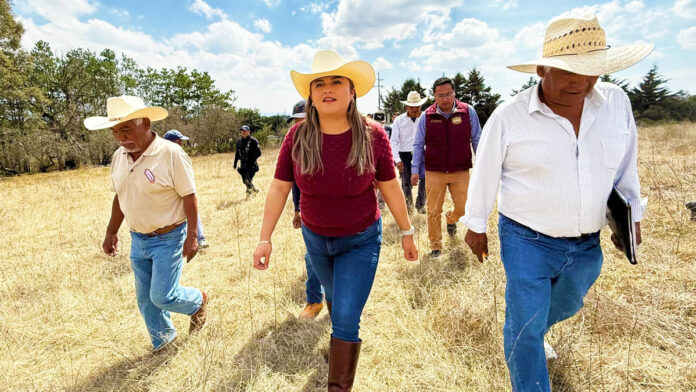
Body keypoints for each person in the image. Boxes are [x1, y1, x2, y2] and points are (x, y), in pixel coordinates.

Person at [460, 15, 652, 392]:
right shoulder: (510, 115)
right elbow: (484, 171)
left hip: (586, 243)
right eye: (568, 70)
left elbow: (626, 162)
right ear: (541, 68)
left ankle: (532, 325)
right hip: (525, 239)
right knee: (525, 328)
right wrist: (476, 225)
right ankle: (528, 346)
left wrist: (632, 215)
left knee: (566, 302)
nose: (579, 82)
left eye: (591, 71)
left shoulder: (616, 103)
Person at [252, 50, 418, 392]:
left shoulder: (373, 135)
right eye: (319, 84)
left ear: (351, 90)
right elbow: (280, 187)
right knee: (333, 298)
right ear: (310, 94)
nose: (328, 89)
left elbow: (388, 185)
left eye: (336, 82)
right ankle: (339, 345)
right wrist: (264, 238)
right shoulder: (296, 138)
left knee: (345, 317)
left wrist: (406, 231)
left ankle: (338, 381)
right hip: (315, 239)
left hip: (360, 240)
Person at [84, 96, 208, 351]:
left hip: (169, 236)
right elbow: (120, 195)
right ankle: (164, 341)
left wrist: (193, 236)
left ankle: (198, 301)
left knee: (163, 296)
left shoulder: (171, 153)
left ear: (146, 124)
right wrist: (111, 232)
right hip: (138, 237)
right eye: (115, 131)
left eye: (126, 129)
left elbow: (189, 196)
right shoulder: (119, 156)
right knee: (145, 300)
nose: (121, 138)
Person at [411, 77, 482, 257]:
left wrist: (482, 164)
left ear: (454, 93)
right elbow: (418, 144)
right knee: (433, 211)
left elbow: (477, 139)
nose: (445, 98)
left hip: (460, 170)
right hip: (434, 171)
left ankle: (451, 218)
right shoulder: (426, 116)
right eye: (440, 95)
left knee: (465, 207)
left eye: (448, 94)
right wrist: (414, 170)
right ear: (434, 96)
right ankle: (436, 246)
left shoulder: (468, 112)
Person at [288, 100, 325, 319]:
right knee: (312, 257)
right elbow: (294, 183)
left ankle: (336, 300)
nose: (299, 126)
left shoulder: (331, 141)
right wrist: (297, 209)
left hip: (338, 215)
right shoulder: (295, 146)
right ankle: (314, 301)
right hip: (310, 214)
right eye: (296, 122)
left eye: (303, 121)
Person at [164, 129, 209, 249]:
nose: (181, 144)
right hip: (171, 194)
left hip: (183, 190)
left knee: (191, 212)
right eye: (180, 141)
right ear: (177, 141)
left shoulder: (179, 155)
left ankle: (200, 238)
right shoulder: (162, 156)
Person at [390, 91, 427, 214]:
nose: (415, 109)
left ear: (421, 106)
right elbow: (393, 141)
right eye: (412, 106)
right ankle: (408, 207)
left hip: (423, 153)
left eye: (417, 106)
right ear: (406, 107)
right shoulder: (399, 120)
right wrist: (397, 159)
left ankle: (420, 205)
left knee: (425, 179)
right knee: (406, 183)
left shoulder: (426, 118)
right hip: (404, 154)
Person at [234, 125, 262, 197]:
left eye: (245, 131)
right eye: (242, 131)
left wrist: (252, 159)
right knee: (245, 181)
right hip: (243, 165)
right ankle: (254, 191)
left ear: (248, 132)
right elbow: (237, 153)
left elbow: (259, 153)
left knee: (247, 179)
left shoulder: (253, 141)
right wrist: (235, 163)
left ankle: (249, 193)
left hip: (252, 165)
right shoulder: (239, 141)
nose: (243, 132)